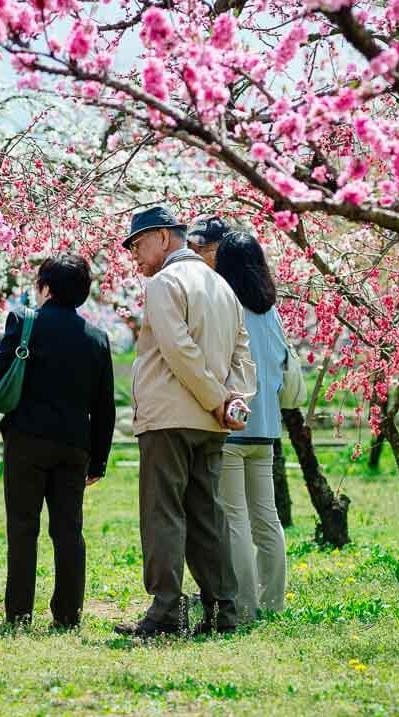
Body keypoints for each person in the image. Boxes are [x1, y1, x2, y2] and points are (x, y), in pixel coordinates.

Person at [113, 205, 256, 638]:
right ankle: (221, 612)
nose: (135, 255)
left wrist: (216, 400)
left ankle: (165, 613)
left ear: (162, 237)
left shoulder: (164, 283)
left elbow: (178, 350)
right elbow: (242, 355)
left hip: (169, 418)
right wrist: (233, 402)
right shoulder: (223, 286)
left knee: (163, 515)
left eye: (138, 244)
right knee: (208, 516)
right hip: (212, 423)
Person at [0, 253, 116, 630]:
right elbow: (105, 406)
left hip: (27, 441)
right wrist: (99, 460)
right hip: (74, 446)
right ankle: (68, 615)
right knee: (68, 530)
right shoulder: (97, 338)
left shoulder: (24, 322)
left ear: (44, 288)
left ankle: (19, 613)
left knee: (23, 525)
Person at [212, 231, 289, 624]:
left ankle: (244, 606)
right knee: (267, 518)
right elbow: (281, 361)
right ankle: (273, 602)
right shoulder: (269, 309)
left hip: (232, 423)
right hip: (267, 428)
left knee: (235, 519)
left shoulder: (226, 305)